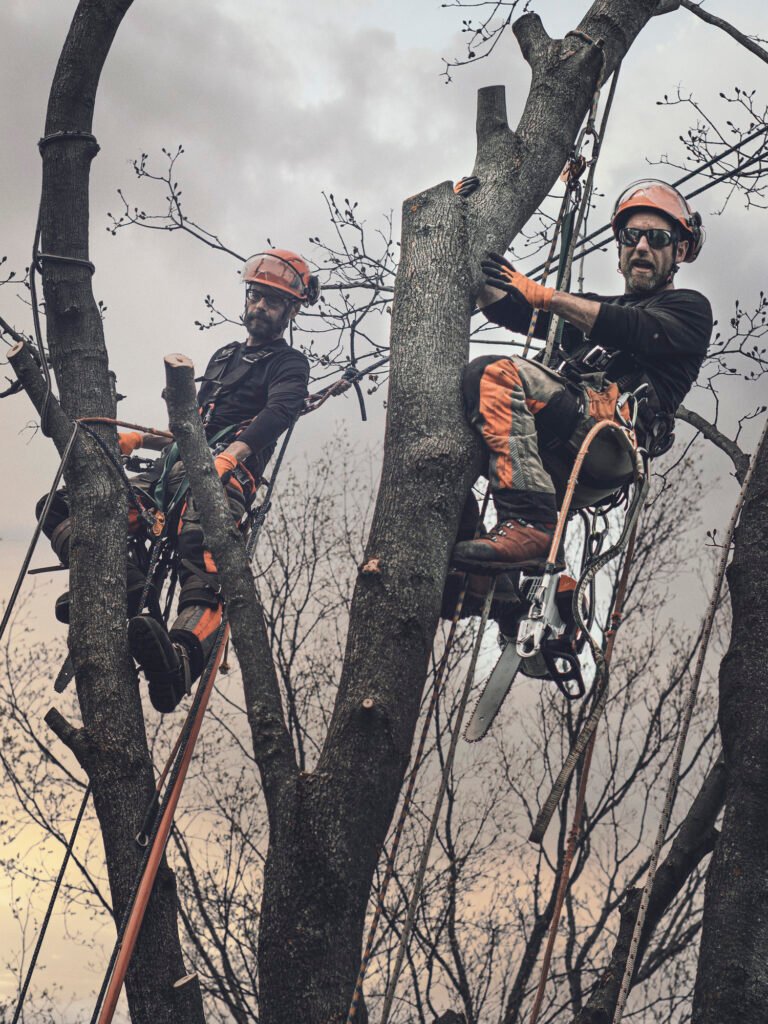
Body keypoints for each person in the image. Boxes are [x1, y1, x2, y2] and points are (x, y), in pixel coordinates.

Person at [38, 249, 318, 712]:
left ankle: (179, 661)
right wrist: (142, 440)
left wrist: (231, 458)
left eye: (272, 301)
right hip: (171, 470)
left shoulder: (288, 364)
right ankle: (117, 583)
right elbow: (193, 426)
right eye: (256, 296)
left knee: (200, 548)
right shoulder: (225, 355)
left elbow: (279, 412)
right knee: (64, 506)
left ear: (291, 310)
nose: (260, 307)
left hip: (227, 473)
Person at [450, 178, 713, 574]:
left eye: (657, 238)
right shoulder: (592, 309)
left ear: (679, 250)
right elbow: (508, 308)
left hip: (608, 443)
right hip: (559, 437)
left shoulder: (689, 310)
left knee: (494, 374)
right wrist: (458, 227)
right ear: (621, 248)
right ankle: (490, 586)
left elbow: (632, 328)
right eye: (632, 236)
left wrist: (548, 296)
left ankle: (531, 526)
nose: (642, 246)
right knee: (449, 424)